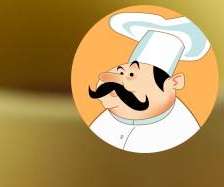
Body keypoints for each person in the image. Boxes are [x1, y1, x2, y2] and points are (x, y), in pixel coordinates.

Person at [88, 12, 211, 153]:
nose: (112, 79)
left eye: (132, 75)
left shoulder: (180, 130)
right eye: (120, 71)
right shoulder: (104, 121)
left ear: (174, 83)